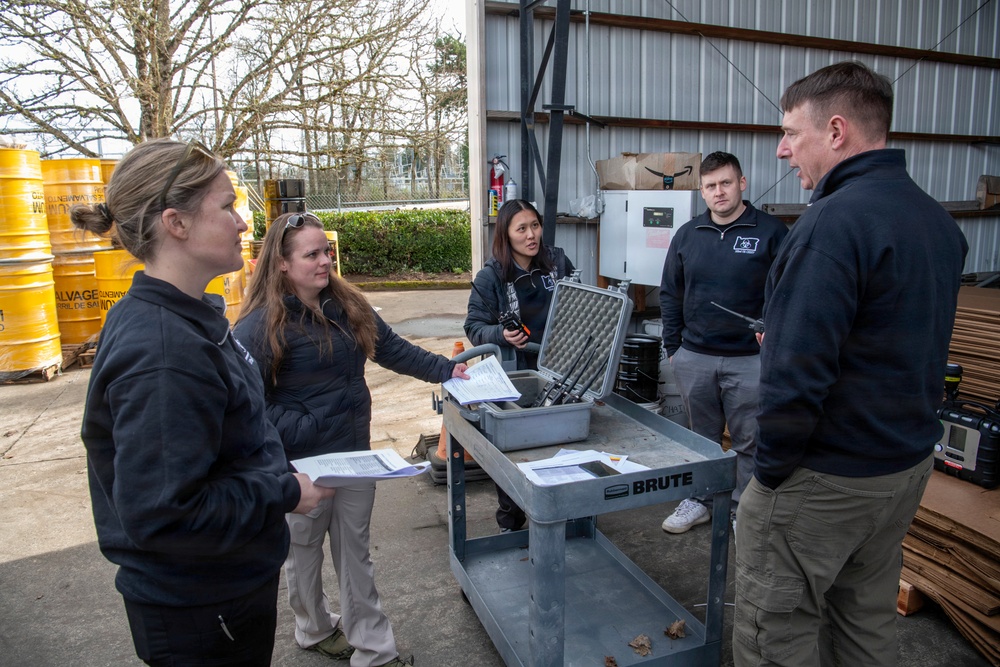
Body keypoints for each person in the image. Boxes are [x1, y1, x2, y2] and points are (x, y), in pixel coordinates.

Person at [732, 61, 968, 667]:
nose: (784, 151)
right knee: (864, 624)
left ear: (836, 131)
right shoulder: (936, 221)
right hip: (903, 468)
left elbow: (795, 376)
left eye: (791, 133)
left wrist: (772, 474)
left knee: (772, 636)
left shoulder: (831, 224)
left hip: (825, 477)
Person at [71, 139, 334, 667]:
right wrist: (282, 492)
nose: (242, 223)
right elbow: (166, 514)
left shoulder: (191, 319)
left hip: (223, 589)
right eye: (227, 205)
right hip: (201, 608)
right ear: (176, 223)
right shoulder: (164, 350)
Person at [233, 212, 468, 667]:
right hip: (299, 467)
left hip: (355, 457)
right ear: (281, 263)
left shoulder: (348, 304)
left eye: (327, 252)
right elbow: (248, 409)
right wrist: (307, 430)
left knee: (355, 553)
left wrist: (445, 371)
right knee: (302, 553)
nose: (325, 262)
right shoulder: (259, 326)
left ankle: (375, 651)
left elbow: (393, 349)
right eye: (312, 254)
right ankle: (314, 627)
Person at [658, 151, 788, 534]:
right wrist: (674, 349)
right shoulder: (687, 235)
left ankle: (737, 510)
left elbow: (788, 293)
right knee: (700, 438)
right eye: (711, 186)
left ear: (742, 183)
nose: (719, 192)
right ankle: (700, 499)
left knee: (750, 440)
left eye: (726, 183)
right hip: (694, 357)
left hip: (750, 360)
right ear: (702, 190)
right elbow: (670, 293)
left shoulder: (772, 233)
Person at [465, 199, 575, 531]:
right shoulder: (491, 276)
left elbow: (581, 303)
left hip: (558, 368)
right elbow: (473, 327)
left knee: (562, 445)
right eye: (521, 229)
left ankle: (563, 513)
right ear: (506, 234)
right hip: (515, 374)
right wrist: (501, 335)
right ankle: (511, 519)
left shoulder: (557, 262)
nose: (531, 235)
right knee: (514, 449)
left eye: (535, 226)